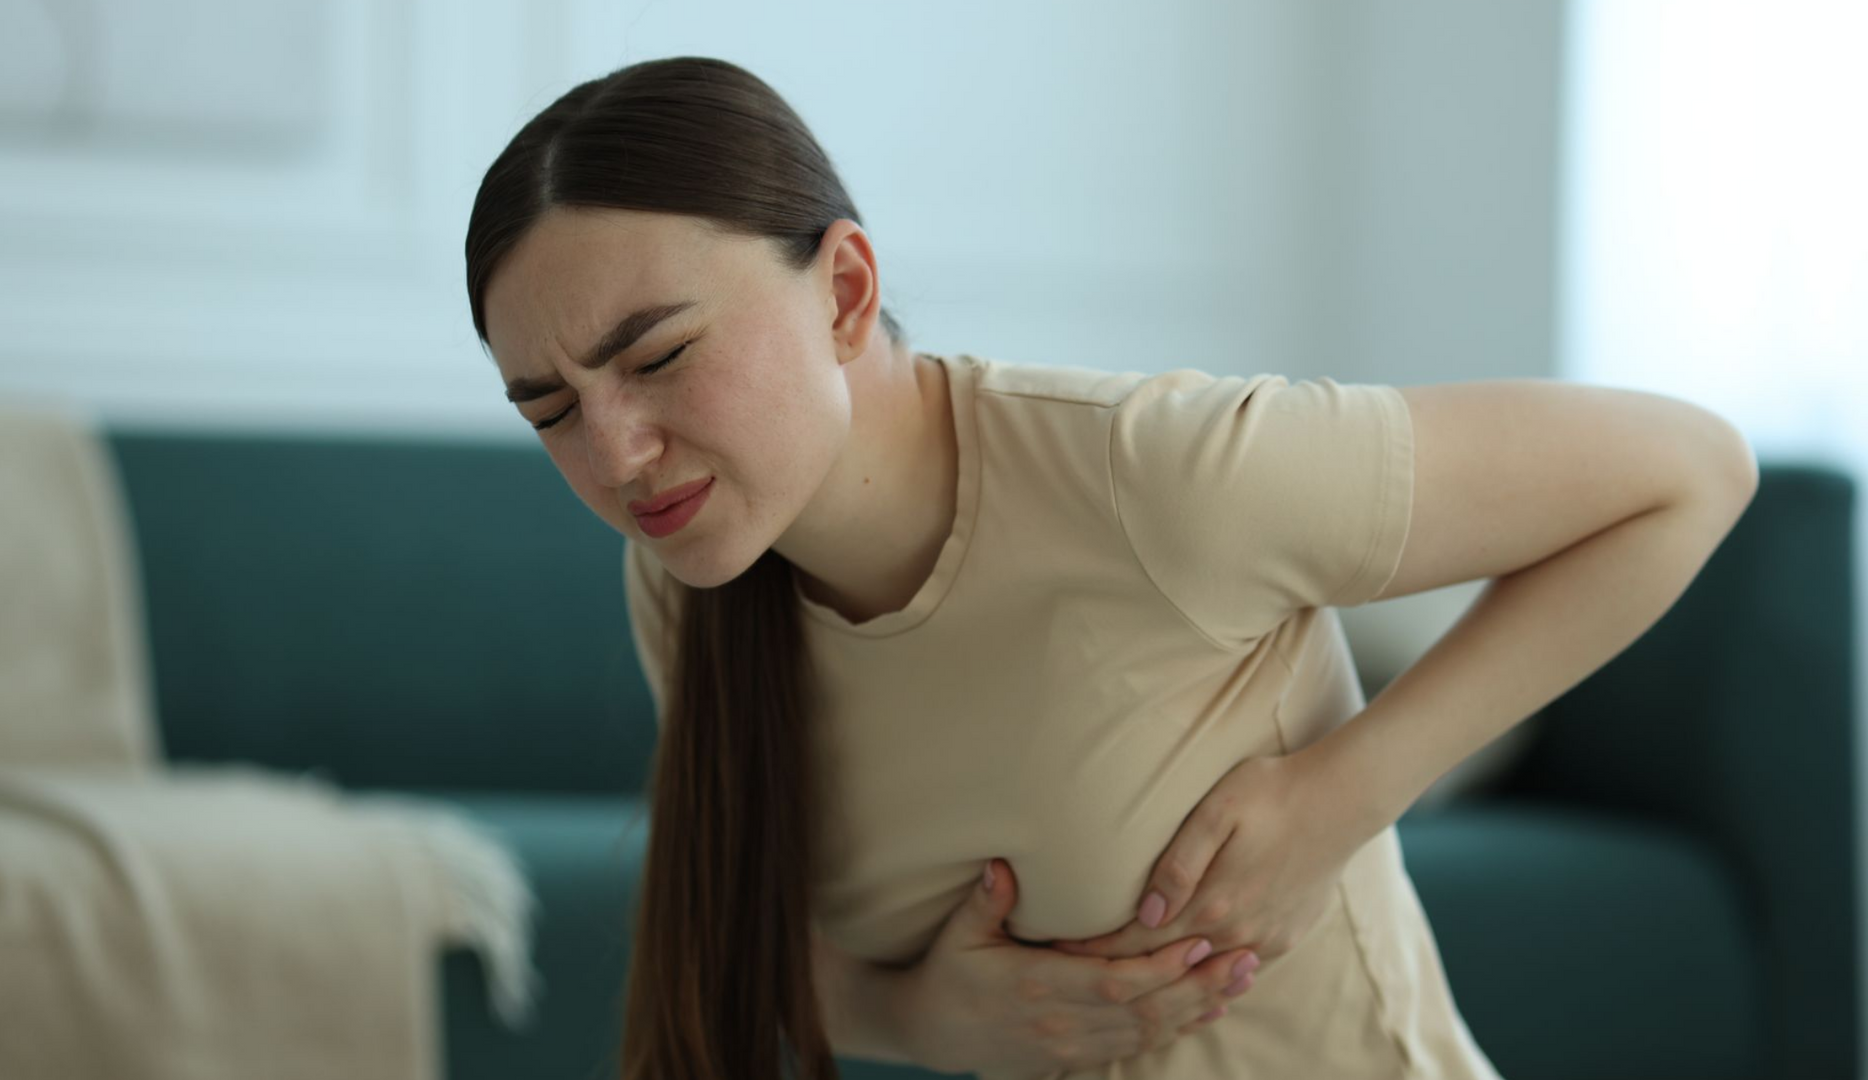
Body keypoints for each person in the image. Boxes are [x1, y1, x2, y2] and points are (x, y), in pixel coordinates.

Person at [465, 55, 1506, 1080]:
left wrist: (1343, 797)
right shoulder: (688, 575)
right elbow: (749, 947)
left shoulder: (1150, 474)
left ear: (844, 291)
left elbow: (1669, 479)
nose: (615, 459)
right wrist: (920, 1018)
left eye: (657, 359)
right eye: (552, 411)